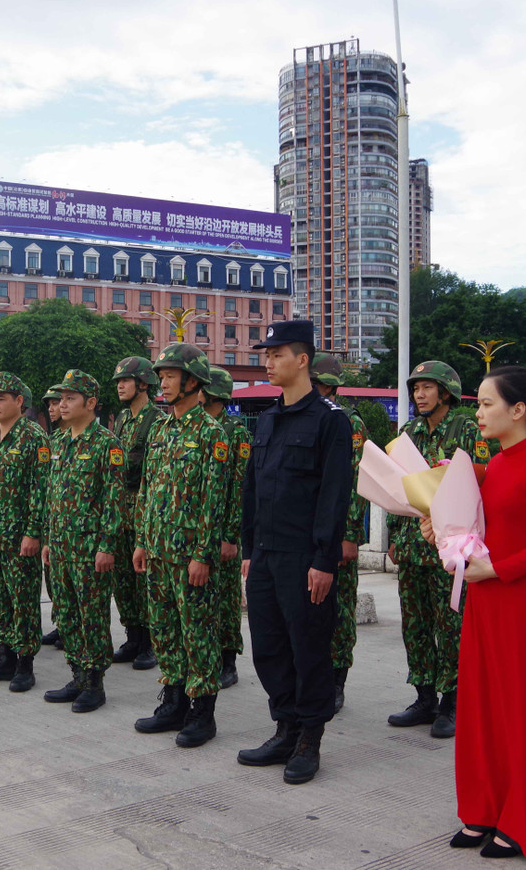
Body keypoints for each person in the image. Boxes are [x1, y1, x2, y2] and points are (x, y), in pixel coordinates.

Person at [440, 366, 526, 859]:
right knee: (480, 707)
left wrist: (498, 570)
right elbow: (467, 525)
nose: (478, 413)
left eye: (486, 404)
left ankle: (519, 819)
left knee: (519, 712)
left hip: (522, 604)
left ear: (519, 410)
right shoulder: (488, 467)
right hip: (484, 601)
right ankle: (481, 810)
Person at [234, 320, 352, 785]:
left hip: (305, 559)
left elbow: (334, 496)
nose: (268, 361)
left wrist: (324, 560)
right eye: (266, 354)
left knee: (309, 649)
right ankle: (284, 727)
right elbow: (253, 489)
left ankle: (309, 739)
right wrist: (248, 548)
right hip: (264, 555)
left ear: (302, 360)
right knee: (269, 647)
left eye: (277, 353)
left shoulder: (330, 421)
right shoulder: (267, 418)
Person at [131, 344, 230, 746]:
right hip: (156, 551)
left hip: (190, 556)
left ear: (193, 381)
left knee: (197, 634)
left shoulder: (211, 433)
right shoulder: (160, 429)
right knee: (165, 631)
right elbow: (146, 490)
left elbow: (214, 499)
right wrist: (140, 541)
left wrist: (203, 555)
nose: (164, 382)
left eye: (171, 375)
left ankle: (202, 713)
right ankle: (172, 702)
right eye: (162, 375)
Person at [387, 360, 490, 738]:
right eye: (416, 388)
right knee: (415, 624)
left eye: (427, 387)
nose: (419, 394)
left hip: (449, 550)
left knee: (451, 627)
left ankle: (453, 700)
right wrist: (396, 536)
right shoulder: (409, 431)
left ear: (445, 392)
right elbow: (398, 486)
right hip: (414, 548)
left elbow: (480, 482)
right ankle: (424, 695)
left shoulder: (465, 428)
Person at [41, 369, 124, 712]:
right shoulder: (59, 442)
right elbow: (53, 495)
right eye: (61, 398)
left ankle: (94, 682)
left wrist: (107, 545)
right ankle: (77, 674)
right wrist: (48, 537)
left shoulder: (107, 444)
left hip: (90, 549)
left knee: (92, 615)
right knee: (68, 614)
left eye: (70, 398)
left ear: (90, 403)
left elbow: (114, 500)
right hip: (61, 545)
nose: (62, 404)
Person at [0, 372, 51, 692]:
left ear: (19, 401)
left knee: (23, 601)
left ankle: (24, 663)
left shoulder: (34, 437)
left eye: (0, 398)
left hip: (20, 539)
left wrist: (33, 532)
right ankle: (3, 656)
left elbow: (41, 489)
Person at [310, 353, 370, 713]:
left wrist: (349, 534)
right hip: (307, 531)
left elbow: (355, 480)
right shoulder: (302, 417)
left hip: (336, 533)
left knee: (340, 607)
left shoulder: (348, 422)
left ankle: (337, 678)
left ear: (329, 385)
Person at [110, 356, 163, 671]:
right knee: (123, 579)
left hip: (142, 509)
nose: (120, 386)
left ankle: (150, 642)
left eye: (125, 381)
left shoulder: (155, 420)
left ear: (144, 383)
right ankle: (132, 635)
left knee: (144, 579)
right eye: (118, 381)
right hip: (119, 510)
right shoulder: (120, 420)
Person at [202, 366, 250, 690]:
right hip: (200, 532)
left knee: (227, 599)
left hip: (224, 533)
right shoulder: (198, 428)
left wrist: (231, 536)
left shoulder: (235, 432)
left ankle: (228, 659)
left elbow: (239, 486)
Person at [40, 383, 69, 650]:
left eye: (56, 402)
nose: (53, 408)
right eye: (49, 404)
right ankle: (60, 623)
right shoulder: (54, 440)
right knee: (53, 580)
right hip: (54, 526)